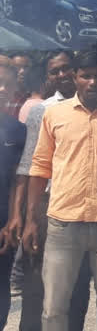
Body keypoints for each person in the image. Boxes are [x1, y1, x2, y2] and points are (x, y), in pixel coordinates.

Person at [23, 49, 97, 331]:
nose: (93, 82)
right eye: (86, 76)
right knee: (53, 308)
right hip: (63, 223)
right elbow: (39, 167)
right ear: (75, 77)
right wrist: (31, 219)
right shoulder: (55, 115)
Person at [8, 50, 91, 331]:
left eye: (66, 69)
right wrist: (26, 216)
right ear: (48, 77)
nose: (61, 75)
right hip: (47, 207)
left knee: (78, 286)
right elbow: (28, 166)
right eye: (54, 71)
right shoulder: (41, 111)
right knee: (36, 286)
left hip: (84, 211)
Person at [0, 61, 26, 327]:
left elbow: (19, 179)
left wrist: (13, 219)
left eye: (8, 83)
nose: (2, 88)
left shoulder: (17, 131)